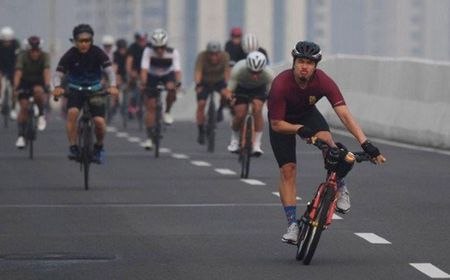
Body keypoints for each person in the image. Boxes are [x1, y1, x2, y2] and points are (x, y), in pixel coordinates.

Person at [267, 41, 386, 244]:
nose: (304, 66)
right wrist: (298, 129)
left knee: (329, 142)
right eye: (301, 61)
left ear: (316, 66)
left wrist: (365, 143)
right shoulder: (280, 84)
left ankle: (340, 185)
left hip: (307, 115)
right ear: (294, 62)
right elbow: (276, 124)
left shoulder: (323, 82)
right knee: (288, 170)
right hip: (283, 122)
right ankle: (292, 226)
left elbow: (344, 115)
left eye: (309, 63)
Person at [52, 24, 119, 163]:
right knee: (72, 113)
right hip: (75, 89)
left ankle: (99, 147)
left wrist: (113, 86)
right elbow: (58, 74)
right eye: (81, 41)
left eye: (87, 41)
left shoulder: (97, 52)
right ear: (75, 41)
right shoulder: (70, 54)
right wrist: (57, 87)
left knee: (99, 122)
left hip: (95, 90)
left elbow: (110, 71)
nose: (84, 44)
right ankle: (73, 146)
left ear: (91, 41)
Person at [226, 51, 274, 155]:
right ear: (247, 67)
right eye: (252, 72)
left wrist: (270, 102)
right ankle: (234, 140)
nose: (255, 76)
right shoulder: (238, 69)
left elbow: (272, 93)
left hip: (259, 89)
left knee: (257, 109)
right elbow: (229, 90)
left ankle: (257, 144)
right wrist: (229, 96)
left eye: (258, 72)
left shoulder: (269, 74)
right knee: (240, 114)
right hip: (241, 88)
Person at [140, 28, 181, 149]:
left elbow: (177, 71)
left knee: (171, 88)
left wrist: (177, 83)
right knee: (151, 107)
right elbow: (144, 70)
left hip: (167, 74)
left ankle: (167, 111)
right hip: (152, 75)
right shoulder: (147, 51)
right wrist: (143, 83)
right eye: (156, 48)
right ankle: (148, 138)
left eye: (162, 47)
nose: (159, 50)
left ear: (166, 45)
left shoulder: (173, 52)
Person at [13, 36, 51, 148]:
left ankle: (40, 114)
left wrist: (48, 85)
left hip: (39, 81)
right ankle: (21, 136)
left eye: (37, 51)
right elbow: (18, 72)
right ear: (28, 50)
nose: (35, 54)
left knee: (38, 92)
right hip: (24, 81)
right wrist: (15, 86)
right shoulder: (22, 56)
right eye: (33, 51)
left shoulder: (45, 56)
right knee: (24, 107)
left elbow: (47, 71)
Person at [194, 41, 231, 144]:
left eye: (216, 54)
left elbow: (227, 72)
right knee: (201, 104)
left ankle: (220, 109)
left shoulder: (225, 56)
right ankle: (201, 130)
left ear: (220, 53)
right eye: (211, 54)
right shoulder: (202, 57)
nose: (214, 57)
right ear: (207, 53)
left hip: (219, 81)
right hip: (204, 82)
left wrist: (228, 86)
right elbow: (198, 72)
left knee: (226, 94)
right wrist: (198, 85)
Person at [126, 31, 149, 119]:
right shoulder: (132, 48)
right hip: (136, 71)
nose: (143, 42)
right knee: (135, 88)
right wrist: (130, 72)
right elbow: (129, 62)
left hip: (147, 71)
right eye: (140, 40)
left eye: (144, 40)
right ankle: (132, 105)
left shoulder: (150, 47)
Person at [0, 26, 21, 120]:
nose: (6, 43)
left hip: (13, 68)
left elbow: (19, 58)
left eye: (8, 41)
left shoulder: (16, 44)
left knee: (15, 88)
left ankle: (13, 107)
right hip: (1, 67)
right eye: (5, 41)